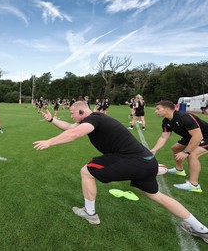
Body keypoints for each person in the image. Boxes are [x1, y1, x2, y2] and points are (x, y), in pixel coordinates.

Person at [32, 101, 208, 243]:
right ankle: (201, 229)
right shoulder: (93, 120)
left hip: (132, 161)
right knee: (156, 196)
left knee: (87, 171)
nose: (70, 116)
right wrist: (51, 120)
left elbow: (75, 134)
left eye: (72, 113)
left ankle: (90, 214)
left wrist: (50, 142)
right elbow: (71, 128)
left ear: (81, 112)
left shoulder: (94, 119)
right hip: (146, 160)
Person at [150, 100, 208, 193]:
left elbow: (198, 136)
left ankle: (194, 185)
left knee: (192, 154)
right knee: (175, 148)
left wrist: (186, 152)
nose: (156, 111)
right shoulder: (166, 121)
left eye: (158, 109)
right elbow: (163, 137)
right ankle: (179, 170)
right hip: (191, 136)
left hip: (204, 136)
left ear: (167, 109)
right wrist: (154, 149)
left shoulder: (184, 117)